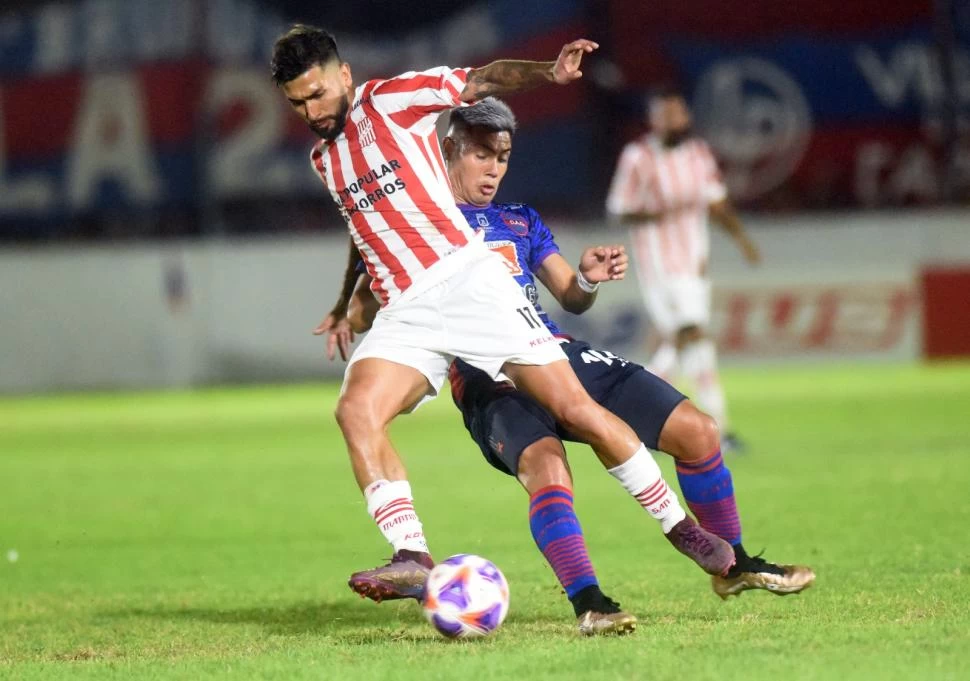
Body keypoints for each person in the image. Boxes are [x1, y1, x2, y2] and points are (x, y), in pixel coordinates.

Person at [271, 25, 734, 610]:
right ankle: (412, 556)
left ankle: (679, 527)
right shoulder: (324, 157)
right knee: (355, 409)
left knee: (576, 410)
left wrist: (549, 72)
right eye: (296, 103)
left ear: (343, 75)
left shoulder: (391, 101)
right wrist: (344, 305)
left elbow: (482, 79)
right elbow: (362, 231)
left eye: (317, 95)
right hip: (407, 309)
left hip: (470, 283)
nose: (310, 111)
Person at [337, 98, 814, 634]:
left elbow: (569, 294)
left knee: (698, 431)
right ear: (448, 148)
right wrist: (352, 310)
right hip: (486, 380)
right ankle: (591, 602)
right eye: (480, 155)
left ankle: (736, 564)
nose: (494, 169)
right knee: (547, 469)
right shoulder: (419, 226)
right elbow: (373, 292)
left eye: (503, 157)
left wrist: (586, 277)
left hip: (555, 351)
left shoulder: (519, 220)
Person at [606, 87, 761, 452]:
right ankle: (718, 428)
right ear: (656, 120)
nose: (680, 121)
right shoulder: (638, 157)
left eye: (682, 114)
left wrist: (742, 240)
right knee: (692, 333)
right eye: (671, 115)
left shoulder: (698, 154)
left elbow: (716, 202)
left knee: (689, 339)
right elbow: (617, 207)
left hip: (694, 263)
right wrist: (659, 212)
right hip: (658, 263)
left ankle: (634, 411)